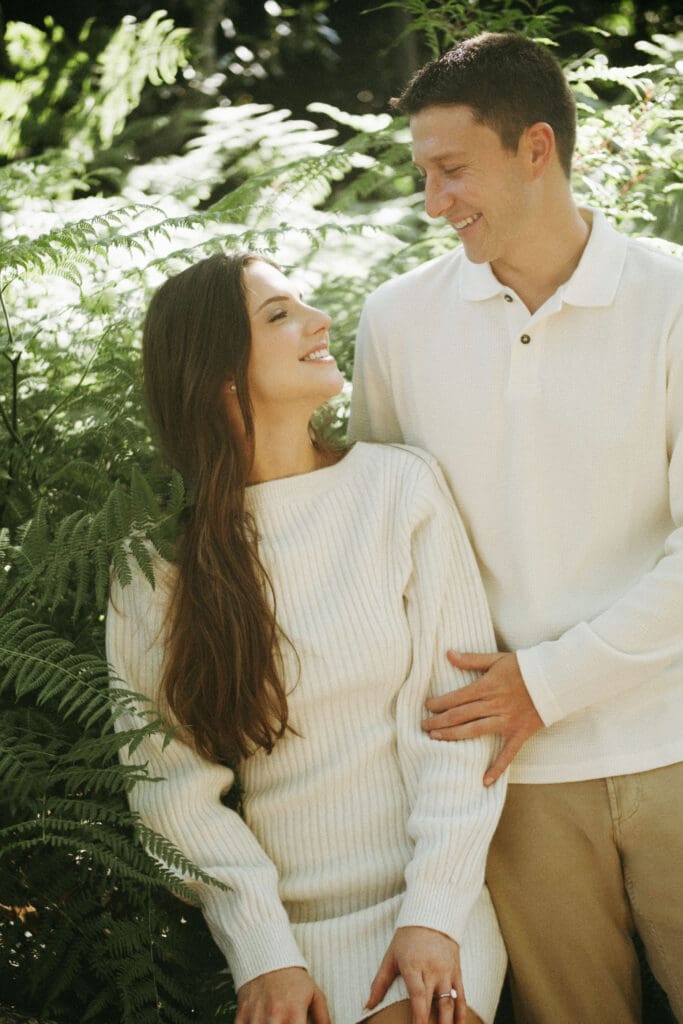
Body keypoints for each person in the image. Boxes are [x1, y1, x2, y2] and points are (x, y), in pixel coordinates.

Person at [348, 29, 683, 1024]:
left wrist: (545, 681)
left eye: (451, 170)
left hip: (671, 740)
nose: (431, 202)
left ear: (535, 149)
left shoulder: (671, 298)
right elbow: (381, 547)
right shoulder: (395, 323)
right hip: (504, 782)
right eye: (421, 174)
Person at [106, 251, 508, 1024]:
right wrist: (263, 953)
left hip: (426, 910)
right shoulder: (158, 570)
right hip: (278, 944)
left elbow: (458, 724)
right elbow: (170, 792)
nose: (318, 321)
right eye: (279, 315)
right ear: (219, 374)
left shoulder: (398, 489)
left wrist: (433, 909)